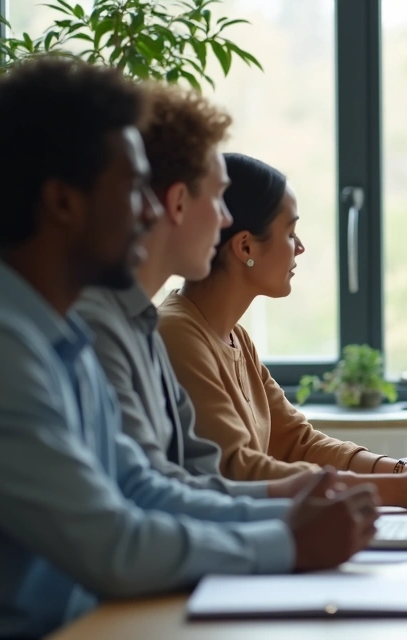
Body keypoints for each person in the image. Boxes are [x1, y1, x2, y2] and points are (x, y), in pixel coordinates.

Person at [0, 58, 377, 638]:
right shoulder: (1, 346)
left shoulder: (58, 331)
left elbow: (142, 486)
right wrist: (287, 539)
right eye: (130, 190)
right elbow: (112, 541)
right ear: (63, 203)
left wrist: (289, 513)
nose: (149, 211)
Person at [158, 152, 407, 510]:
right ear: (245, 246)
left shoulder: (235, 337)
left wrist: (401, 470)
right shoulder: (177, 335)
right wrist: (395, 491)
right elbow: (236, 470)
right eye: (290, 233)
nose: (301, 247)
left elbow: (299, 443)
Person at [74, 82, 312, 499]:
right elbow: (147, 503)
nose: (224, 221)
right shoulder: (145, 329)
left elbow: (195, 480)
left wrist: (373, 485)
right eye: (218, 198)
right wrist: (299, 526)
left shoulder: (142, 325)